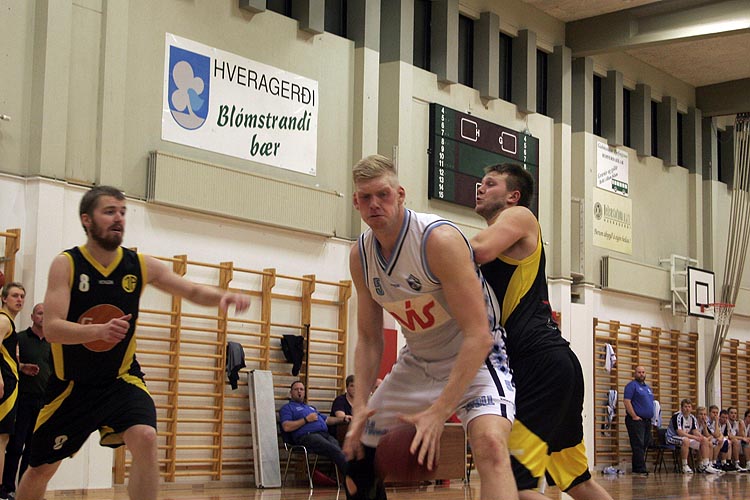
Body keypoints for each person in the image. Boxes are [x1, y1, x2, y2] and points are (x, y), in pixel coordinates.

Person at [15, 186, 250, 500]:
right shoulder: (67, 264)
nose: (118, 218)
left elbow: (192, 291)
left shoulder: (139, 265)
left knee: (146, 437)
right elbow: (53, 328)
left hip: (120, 379)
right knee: (40, 469)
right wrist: (97, 332)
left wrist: (223, 296)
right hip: (71, 386)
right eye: (109, 211)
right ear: (87, 219)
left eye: (123, 212)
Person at [344, 155, 516, 500]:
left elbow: (479, 335)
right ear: (356, 202)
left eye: (383, 194)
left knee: (492, 447)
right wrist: (360, 406)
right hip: (419, 361)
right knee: (357, 452)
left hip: (476, 359)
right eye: (366, 197)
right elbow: (369, 338)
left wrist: (439, 413)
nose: (375, 203)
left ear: (400, 195)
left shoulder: (438, 240)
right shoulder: (360, 256)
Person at [470, 163, 612, 499]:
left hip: (539, 362)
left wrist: (425, 244)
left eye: (490, 183)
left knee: (514, 486)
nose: (480, 187)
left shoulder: (520, 216)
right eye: (480, 182)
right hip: (551, 364)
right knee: (576, 481)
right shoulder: (502, 235)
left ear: (513, 196)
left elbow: (475, 250)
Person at [0, 303, 50, 500]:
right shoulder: (19, 337)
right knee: (15, 445)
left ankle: (24, 490)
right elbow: (11, 362)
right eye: (39, 313)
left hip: (43, 401)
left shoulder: (52, 342)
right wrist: (22, 367)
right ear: (32, 316)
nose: (43, 317)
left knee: (33, 448)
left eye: (46, 313)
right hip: (23, 399)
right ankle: (7, 488)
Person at [280, 380, 348, 478]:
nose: (299, 391)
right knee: (333, 449)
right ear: (291, 392)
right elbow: (286, 427)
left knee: (338, 448)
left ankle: (346, 479)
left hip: (324, 434)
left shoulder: (310, 408)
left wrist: (343, 419)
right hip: (307, 436)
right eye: (296, 389)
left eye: (301, 389)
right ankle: (352, 478)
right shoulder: (287, 408)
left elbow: (327, 420)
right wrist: (306, 420)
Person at [0, 282, 26, 500]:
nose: (19, 299)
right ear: (4, 298)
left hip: (11, 382)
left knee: (4, 438)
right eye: (15, 295)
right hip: (5, 386)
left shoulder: (9, 323)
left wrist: (21, 367)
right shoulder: (3, 320)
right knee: (1, 438)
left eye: (22, 296)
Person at [665, 399, 721, 474]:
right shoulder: (677, 416)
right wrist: (695, 437)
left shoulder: (692, 417)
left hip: (686, 437)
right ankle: (684, 465)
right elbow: (680, 433)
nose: (687, 409)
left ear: (691, 408)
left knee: (704, 440)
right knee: (686, 440)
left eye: (689, 407)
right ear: (681, 408)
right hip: (672, 437)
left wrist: (701, 437)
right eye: (685, 407)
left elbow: (695, 431)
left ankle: (705, 465)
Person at [623, 366, 655, 476]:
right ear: (635, 374)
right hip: (636, 420)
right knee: (638, 444)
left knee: (645, 444)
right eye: (639, 372)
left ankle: (637, 467)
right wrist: (634, 416)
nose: (641, 374)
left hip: (647, 421)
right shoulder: (631, 386)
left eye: (643, 372)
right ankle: (639, 469)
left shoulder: (648, 388)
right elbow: (627, 401)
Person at [727, 407, 749, 472]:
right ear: (728, 414)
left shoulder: (735, 423)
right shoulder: (727, 422)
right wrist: (742, 438)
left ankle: (748, 463)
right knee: (737, 441)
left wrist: (741, 427)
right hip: (727, 441)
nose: (733, 415)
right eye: (731, 413)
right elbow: (730, 436)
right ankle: (736, 463)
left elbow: (739, 435)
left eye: (735, 413)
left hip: (734, 443)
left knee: (744, 442)